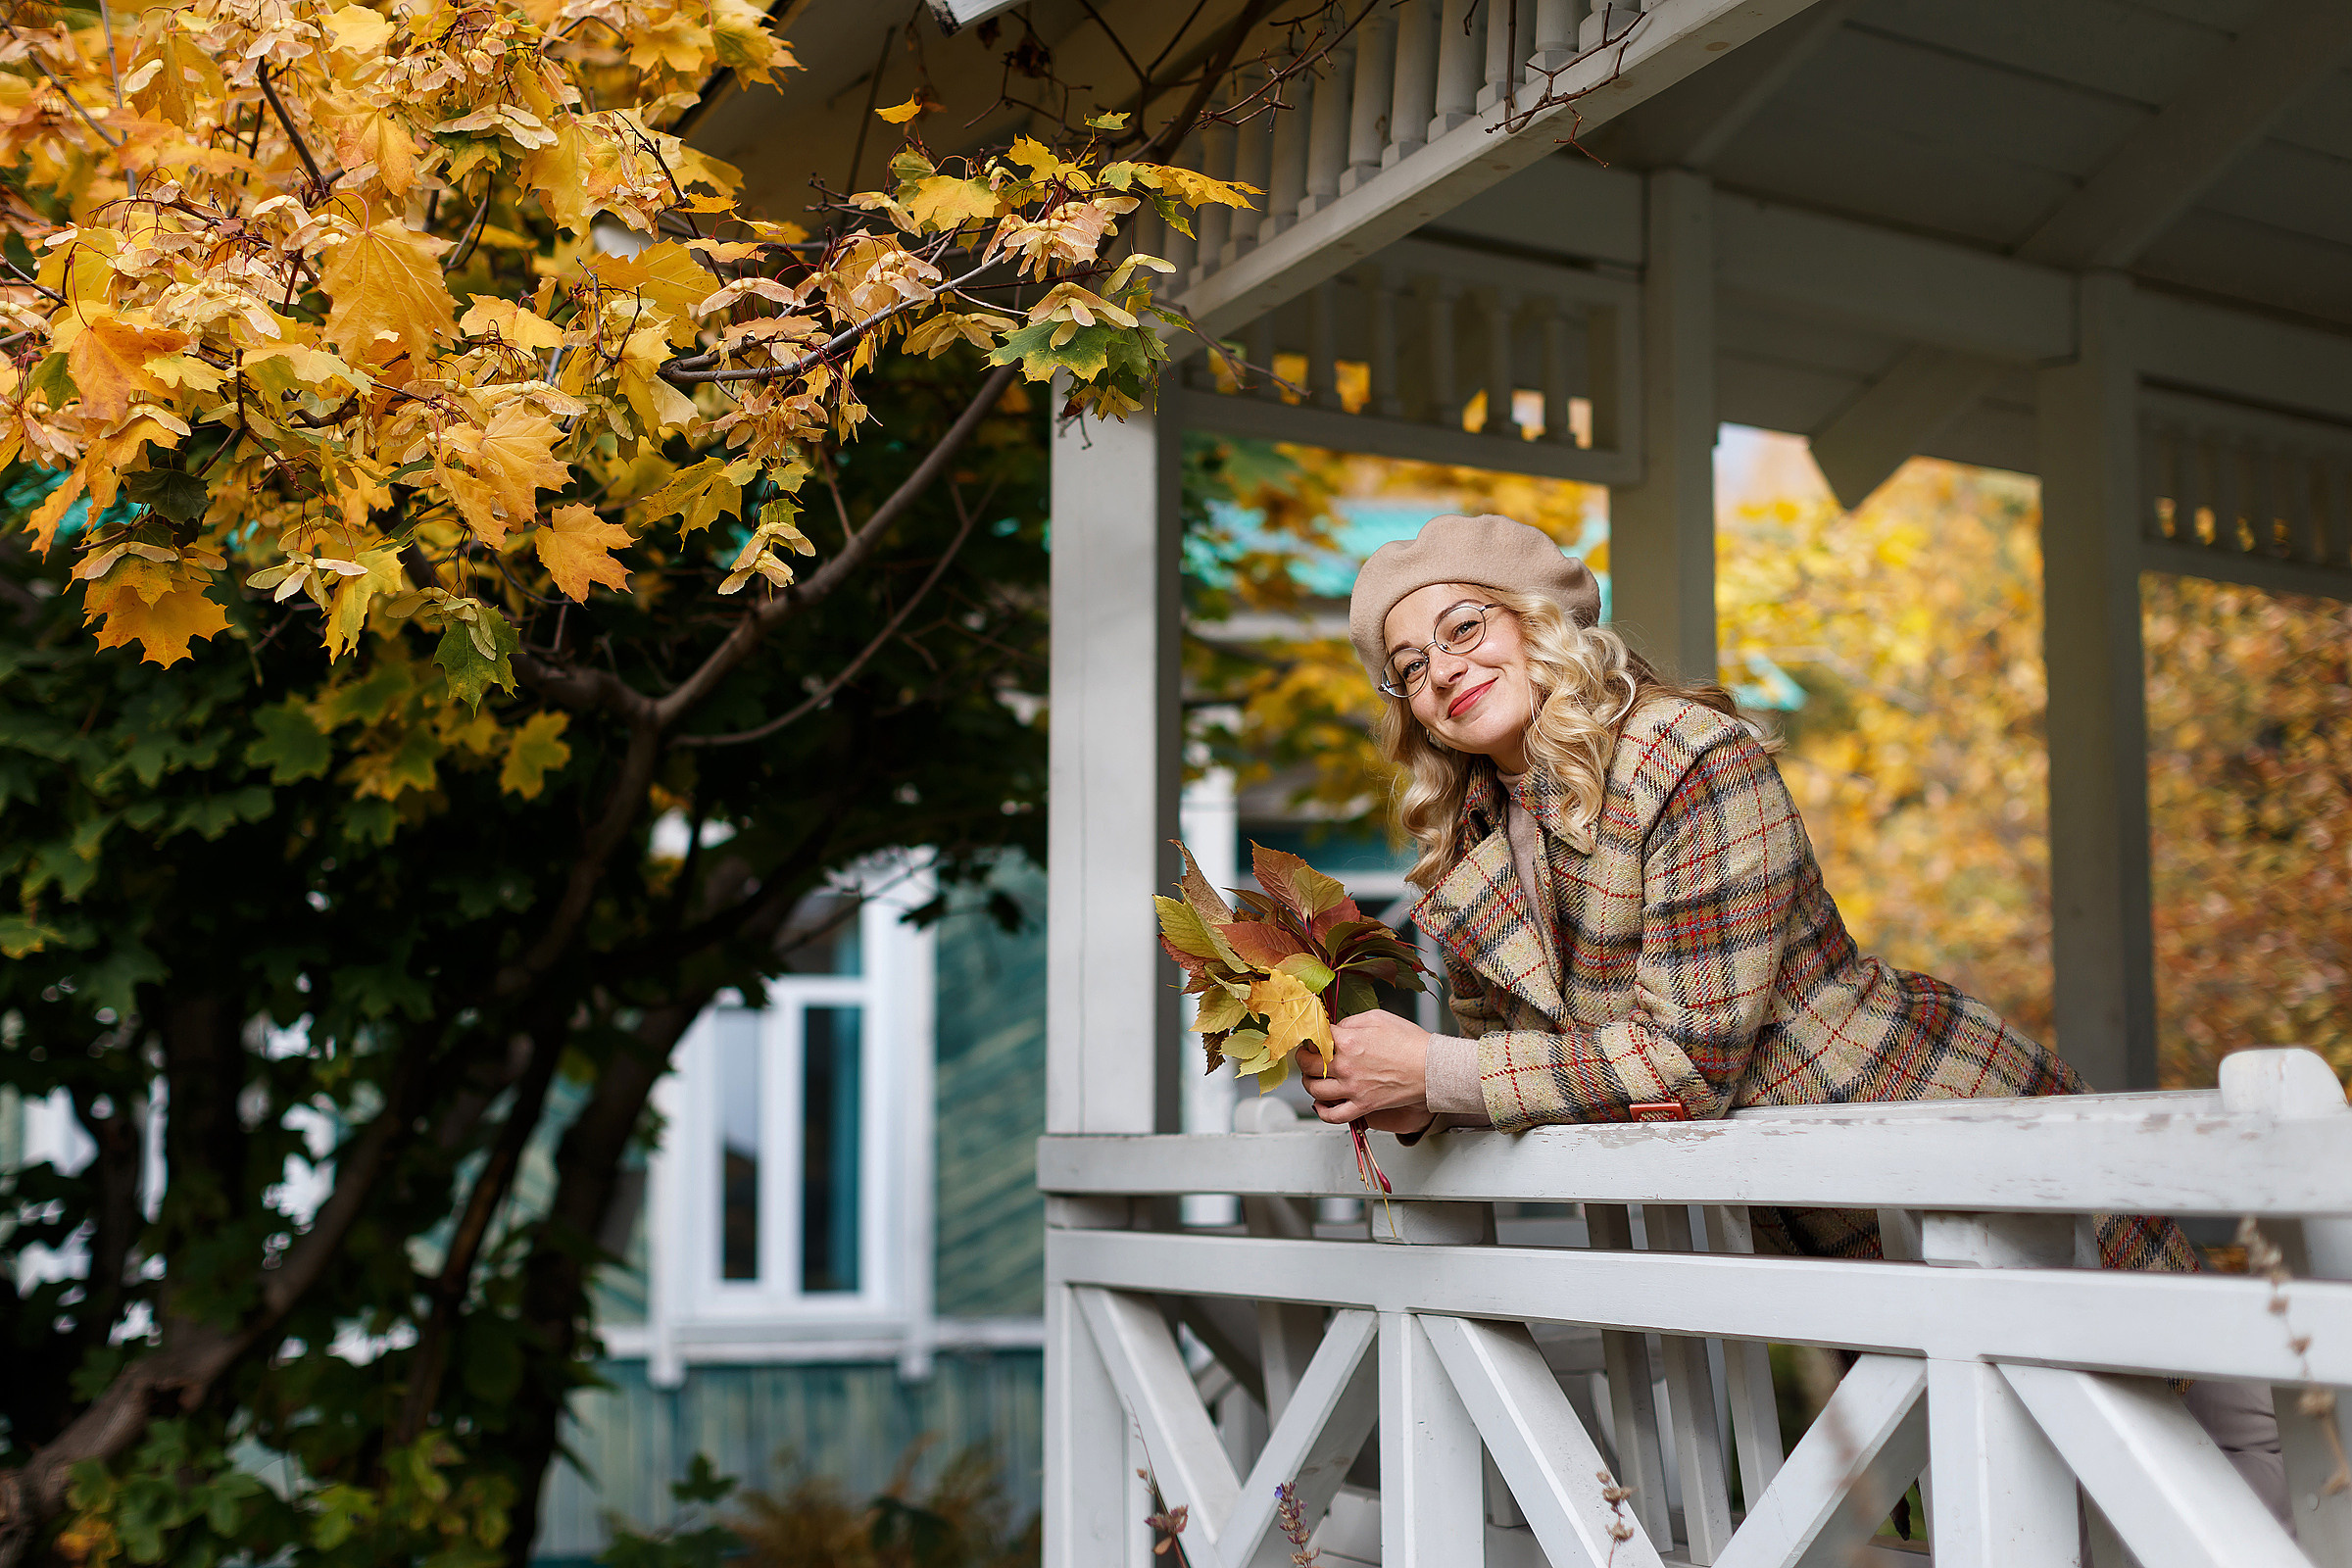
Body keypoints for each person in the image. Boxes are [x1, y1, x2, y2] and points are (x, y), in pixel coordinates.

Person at [1295, 513, 2283, 1509]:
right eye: (1409, 667)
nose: (1440, 674)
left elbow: (1683, 1060)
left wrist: (1442, 1077)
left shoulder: (1689, 754)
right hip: (1815, 1208)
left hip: (1934, 1121)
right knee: (2015, 1500)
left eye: (1465, 628)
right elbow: (1513, 1066)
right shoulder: (1472, 845)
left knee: (2216, 1452)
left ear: (1535, 618)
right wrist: (1411, 1100)